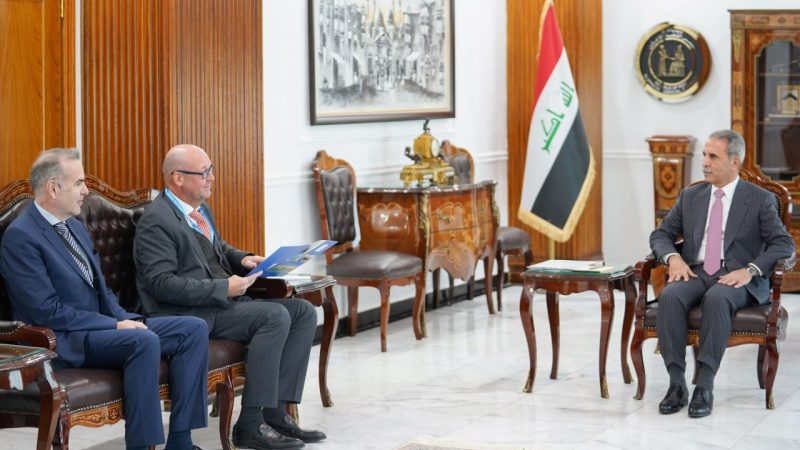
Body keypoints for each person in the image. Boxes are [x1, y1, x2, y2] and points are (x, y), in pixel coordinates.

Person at [0, 149, 209, 450]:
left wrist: (124, 319)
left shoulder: (74, 225)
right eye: (79, 183)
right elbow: (47, 311)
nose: (86, 190)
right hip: (63, 338)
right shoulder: (21, 236)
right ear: (53, 188)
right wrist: (114, 325)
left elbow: (101, 289)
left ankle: (180, 442)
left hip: (101, 327)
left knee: (193, 329)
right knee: (143, 341)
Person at [133, 144, 325, 449]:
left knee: (303, 312)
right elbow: (161, 284)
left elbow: (217, 249)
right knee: (274, 315)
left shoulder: (197, 209)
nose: (212, 178)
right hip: (189, 313)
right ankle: (250, 424)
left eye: (211, 170)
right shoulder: (157, 221)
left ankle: (277, 414)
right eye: (204, 172)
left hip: (219, 303)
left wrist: (244, 259)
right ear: (178, 178)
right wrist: (224, 288)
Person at [650, 129, 795, 418]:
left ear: (734, 162)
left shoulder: (759, 199)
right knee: (670, 296)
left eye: (713, 157)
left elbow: (784, 244)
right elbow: (661, 234)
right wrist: (673, 258)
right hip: (697, 271)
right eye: (704, 155)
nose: (704, 162)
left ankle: (704, 386)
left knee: (717, 298)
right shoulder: (691, 196)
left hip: (737, 276)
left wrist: (750, 270)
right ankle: (677, 384)